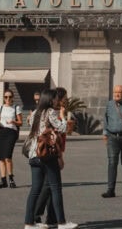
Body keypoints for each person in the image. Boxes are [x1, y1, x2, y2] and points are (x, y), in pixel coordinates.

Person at [23, 88, 76, 229]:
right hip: (46, 155)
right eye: (55, 98)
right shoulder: (51, 112)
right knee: (55, 188)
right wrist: (63, 115)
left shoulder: (35, 113)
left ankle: (29, 223)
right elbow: (63, 128)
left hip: (34, 154)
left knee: (35, 190)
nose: (57, 101)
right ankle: (62, 222)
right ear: (49, 99)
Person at [0, 88, 23, 188]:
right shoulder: (0, 107)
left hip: (11, 132)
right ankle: (3, 181)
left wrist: (13, 121)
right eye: (6, 97)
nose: (8, 99)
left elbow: (20, 122)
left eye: (10, 97)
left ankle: (11, 179)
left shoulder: (16, 108)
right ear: (3, 98)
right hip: (1, 132)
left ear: (13, 98)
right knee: (1, 158)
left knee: (7, 157)